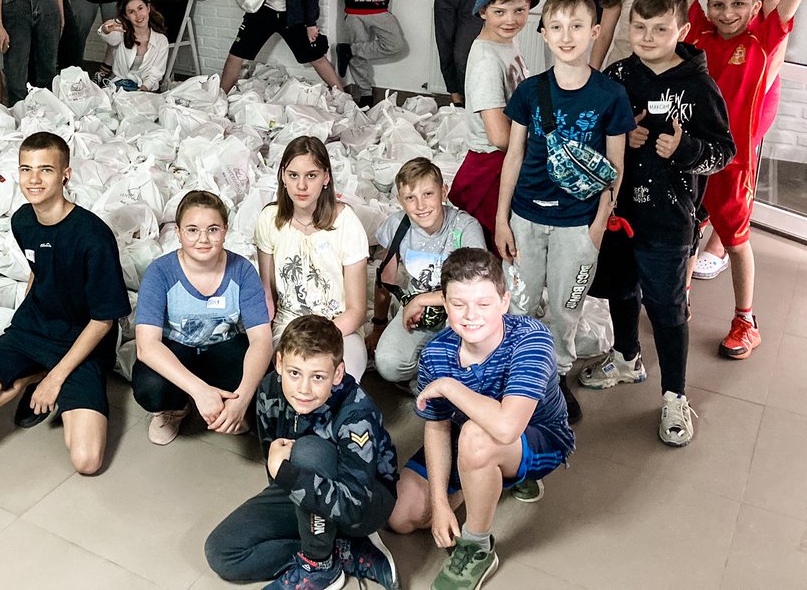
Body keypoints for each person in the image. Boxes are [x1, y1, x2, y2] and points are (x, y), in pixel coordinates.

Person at [581, 0, 734, 446]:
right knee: (621, 289)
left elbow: (723, 152)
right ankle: (627, 357)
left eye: (660, 29)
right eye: (639, 28)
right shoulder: (619, 74)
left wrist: (685, 149)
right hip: (618, 211)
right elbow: (594, 128)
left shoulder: (698, 85)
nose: (647, 37)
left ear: (682, 30)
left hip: (669, 218)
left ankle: (674, 395)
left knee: (666, 306)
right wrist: (620, 138)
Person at [682, 0, 807, 359]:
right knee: (691, 228)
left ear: (754, 9)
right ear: (707, 7)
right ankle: (682, 296)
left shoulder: (762, 38)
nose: (727, 12)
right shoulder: (701, 34)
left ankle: (745, 320)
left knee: (736, 241)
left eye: (739, 4)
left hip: (733, 165)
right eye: (719, 4)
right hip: (693, 159)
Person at [388, 248, 574, 590]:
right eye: (458, 304)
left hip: (538, 436)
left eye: (484, 303)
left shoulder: (532, 339)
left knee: (477, 437)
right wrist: (441, 503)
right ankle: (484, 480)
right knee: (403, 517)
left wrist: (448, 386)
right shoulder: (436, 352)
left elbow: (506, 427)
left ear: (504, 301)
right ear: (444, 302)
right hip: (467, 434)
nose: (471, 315)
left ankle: (479, 546)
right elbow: (438, 426)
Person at [0, 132, 130, 475]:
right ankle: (25, 379)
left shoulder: (93, 237)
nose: (33, 179)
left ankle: (46, 375)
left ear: (66, 174)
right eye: (25, 169)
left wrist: (56, 379)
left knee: (87, 462)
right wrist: (23, 324)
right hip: (33, 330)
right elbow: (38, 270)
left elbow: (104, 320)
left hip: (82, 340)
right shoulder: (22, 220)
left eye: (45, 169)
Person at [494, 0, 636, 423]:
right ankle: (517, 376)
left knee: (564, 306)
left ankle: (554, 378)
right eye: (556, 27)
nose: (566, 35)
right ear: (544, 33)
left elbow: (616, 164)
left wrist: (598, 223)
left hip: (578, 225)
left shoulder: (610, 96)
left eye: (577, 26)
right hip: (526, 218)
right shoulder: (530, 91)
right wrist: (502, 218)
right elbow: (513, 155)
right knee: (519, 301)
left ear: (595, 32)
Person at [204, 315, 400, 590]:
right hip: (303, 491)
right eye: (295, 373)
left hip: (362, 503)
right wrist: (286, 477)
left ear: (338, 373)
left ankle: (319, 567)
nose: (304, 389)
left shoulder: (357, 414)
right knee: (223, 551)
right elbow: (275, 465)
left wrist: (286, 473)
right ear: (279, 363)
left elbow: (353, 508)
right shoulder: (269, 391)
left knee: (308, 451)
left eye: (318, 377)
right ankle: (343, 552)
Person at [688, 0, 792, 280]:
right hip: (720, 80)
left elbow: (774, 52)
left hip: (755, 88)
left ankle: (721, 243)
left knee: (732, 165)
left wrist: (753, 93)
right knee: (711, 160)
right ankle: (703, 225)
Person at [133, 190, 274, 445]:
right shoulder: (160, 272)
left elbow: (261, 340)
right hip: (177, 351)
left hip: (223, 348)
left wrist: (242, 399)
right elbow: (146, 346)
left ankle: (228, 404)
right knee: (151, 388)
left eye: (212, 229)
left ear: (225, 230)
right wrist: (199, 391)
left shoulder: (242, 270)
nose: (203, 239)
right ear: (178, 232)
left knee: (266, 380)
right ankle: (176, 408)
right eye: (192, 230)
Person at [255, 136, 370, 380]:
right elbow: (268, 294)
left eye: (311, 175)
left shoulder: (346, 223)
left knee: (337, 381)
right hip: (288, 327)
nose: (302, 186)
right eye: (294, 175)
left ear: (326, 177)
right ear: (283, 176)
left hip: (339, 328)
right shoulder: (270, 219)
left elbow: (357, 310)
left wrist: (317, 338)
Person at [369, 158, 486, 391]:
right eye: (410, 198)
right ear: (399, 200)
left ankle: (435, 378)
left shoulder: (464, 228)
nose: (420, 205)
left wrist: (422, 299)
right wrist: (379, 324)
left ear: (444, 192)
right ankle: (433, 376)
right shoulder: (397, 226)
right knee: (388, 364)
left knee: (469, 368)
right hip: (419, 313)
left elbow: (477, 287)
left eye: (428, 194)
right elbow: (386, 279)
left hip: (460, 314)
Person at [447, 0, 539, 254]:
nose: (510, 20)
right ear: (482, 11)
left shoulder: (506, 42)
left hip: (509, 156)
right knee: (497, 247)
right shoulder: (486, 60)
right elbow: (499, 137)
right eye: (499, 11)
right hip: (492, 164)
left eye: (519, 10)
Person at [97, 0, 170, 92]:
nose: (138, 15)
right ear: (126, 16)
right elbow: (106, 35)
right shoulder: (121, 33)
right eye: (131, 12)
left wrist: (142, 90)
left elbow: (155, 73)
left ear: (148, 8)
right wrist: (106, 28)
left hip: (146, 90)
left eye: (140, 8)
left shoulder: (161, 40)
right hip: (119, 87)